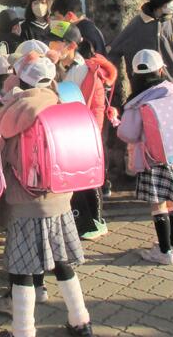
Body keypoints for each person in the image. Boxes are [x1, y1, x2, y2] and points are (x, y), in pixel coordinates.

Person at [0, 55, 92, 337]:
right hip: (60, 198)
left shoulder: (17, 108)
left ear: (22, 80)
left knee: (22, 270)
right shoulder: (61, 104)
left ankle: (23, 330)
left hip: (25, 202)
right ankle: (81, 321)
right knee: (63, 264)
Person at [116, 50, 173, 265]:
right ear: (160, 70)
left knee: (158, 205)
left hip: (151, 159)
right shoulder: (172, 92)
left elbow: (128, 134)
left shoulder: (137, 102)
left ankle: (164, 251)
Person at [56, 22, 118, 241]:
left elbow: (97, 108)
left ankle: (93, 222)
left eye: (55, 42)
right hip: (66, 133)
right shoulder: (57, 68)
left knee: (87, 181)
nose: (50, 46)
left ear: (71, 46)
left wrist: (91, 136)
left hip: (83, 135)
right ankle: (79, 221)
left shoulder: (84, 72)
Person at [106, 0, 173, 90]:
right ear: (161, 1)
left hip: (171, 88)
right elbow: (113, 51)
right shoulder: (137, 24)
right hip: (143, 89)